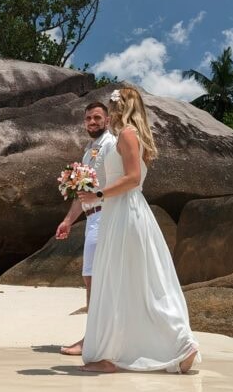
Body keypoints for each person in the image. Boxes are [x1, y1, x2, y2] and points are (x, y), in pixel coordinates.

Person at [76, 86, 200, 374]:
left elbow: (132, 179)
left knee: (128, 280)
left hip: (124, 210)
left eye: (113, 106)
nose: (110, 112)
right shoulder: (131, 135)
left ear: (122, 107)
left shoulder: (128, 135)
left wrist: (98, 196)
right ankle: (120, 351)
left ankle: (175, 344)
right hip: (122, 210)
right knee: (130, 282)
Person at [55, 101, 117, 356]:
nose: (92, 122)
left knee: (96, 280)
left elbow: (118, 182)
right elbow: (83, 193)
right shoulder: (89, 150)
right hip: (92, 218)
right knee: (91, 279)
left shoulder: (111, 146)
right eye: (89, 118)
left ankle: (93, 339)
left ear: (108, 120)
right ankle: (94, 336)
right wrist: (68, 220)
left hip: (106, 217)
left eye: (97, 118)